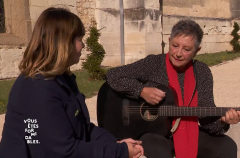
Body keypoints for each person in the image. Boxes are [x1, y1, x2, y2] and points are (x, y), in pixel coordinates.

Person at [0, 7, 144, 158]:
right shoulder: (38, 88)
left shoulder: (63, 79)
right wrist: (120, 152)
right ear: (63, 43)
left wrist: (116, 144)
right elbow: (64, 152)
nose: (83, 45)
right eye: (79, 39)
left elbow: (83, 129)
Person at [105, 20, 240, 158]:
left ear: (197, 51)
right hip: (154, 133)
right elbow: (113, 75)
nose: (178, 53)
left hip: (188, 131)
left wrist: (223, 121)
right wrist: (141, 91)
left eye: (186, 49)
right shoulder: (154, 63)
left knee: (226, 146)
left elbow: (207, 119)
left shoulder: (202, 72)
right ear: (169, 40)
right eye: (175, 45)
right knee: (157, 150)